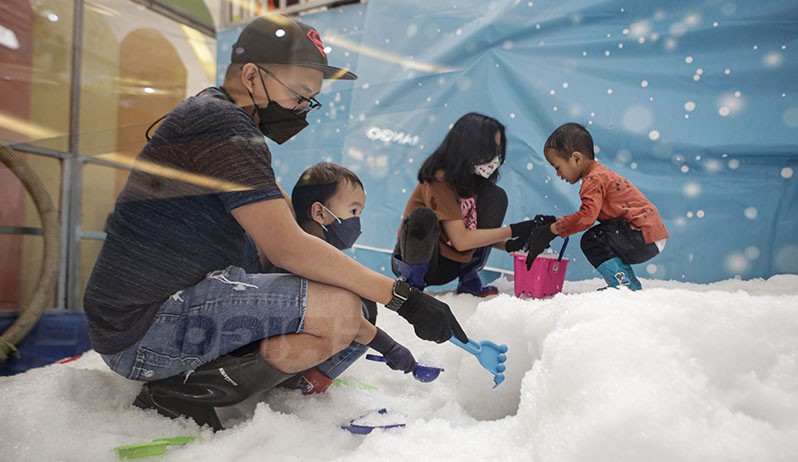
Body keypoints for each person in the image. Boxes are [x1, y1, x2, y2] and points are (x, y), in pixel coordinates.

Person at [83, 16, 466, 432]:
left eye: (310, 100)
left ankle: (266, 388)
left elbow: (285, 222)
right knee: (340, 309)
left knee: (353, 298)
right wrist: (403, 298)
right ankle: (178, 396)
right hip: (143, 329)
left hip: (164, 310)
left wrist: (369, 288)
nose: (303, 109)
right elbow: (289, 247)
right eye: (299, 95)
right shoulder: (221, 125)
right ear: (251, 75)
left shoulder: (218, 118)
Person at [250, 162, 416, 394]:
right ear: (319, 213)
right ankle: (302, 387)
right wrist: (389, 347)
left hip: (290, 335)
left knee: (362, 307)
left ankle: (306, 378)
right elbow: (337, 317)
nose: (357, 223)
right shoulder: (304, 255)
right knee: (356, 324)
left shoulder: (311, 248)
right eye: (353, 212)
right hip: (274, 346)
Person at [391, 112, 551, 297]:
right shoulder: (438, 181)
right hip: (422, 261)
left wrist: (511, 244)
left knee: (496, 196)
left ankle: (470, 277)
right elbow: (461, 240)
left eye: (498, 150)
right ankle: (412, 284)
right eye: (492, 149)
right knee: (422, 218)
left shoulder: (475, 185)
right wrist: (514, 230)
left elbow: (473, 232)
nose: (496, 157)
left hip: (452, 263)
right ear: (471, 147)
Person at [512, 122, 669, 290]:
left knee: (593, 239)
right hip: (648, 234)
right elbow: (589, 215)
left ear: (576, 159)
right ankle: (628, 284)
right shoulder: (600, 175)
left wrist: (552, 230)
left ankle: (623, 285)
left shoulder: (593, 179)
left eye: (558, 167)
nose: (558, 174)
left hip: (642, 235)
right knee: (601, 234)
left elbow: (586, 218)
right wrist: (553, 222)